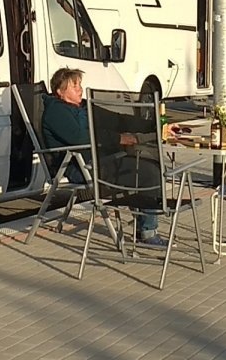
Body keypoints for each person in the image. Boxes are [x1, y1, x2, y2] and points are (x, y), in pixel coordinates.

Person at [40, 68, 163, 246]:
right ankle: (147, 232)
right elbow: (80, 137)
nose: (80, 89)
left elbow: (117, 120)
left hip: (98, 161)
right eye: (74, 86)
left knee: (141, 162)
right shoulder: (56, 112)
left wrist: (153, 125)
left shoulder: (82, 106)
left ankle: (143, 223)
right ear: (60, 91)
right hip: (80, 167)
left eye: (80, 84)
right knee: (148, 172)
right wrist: (118, 138)